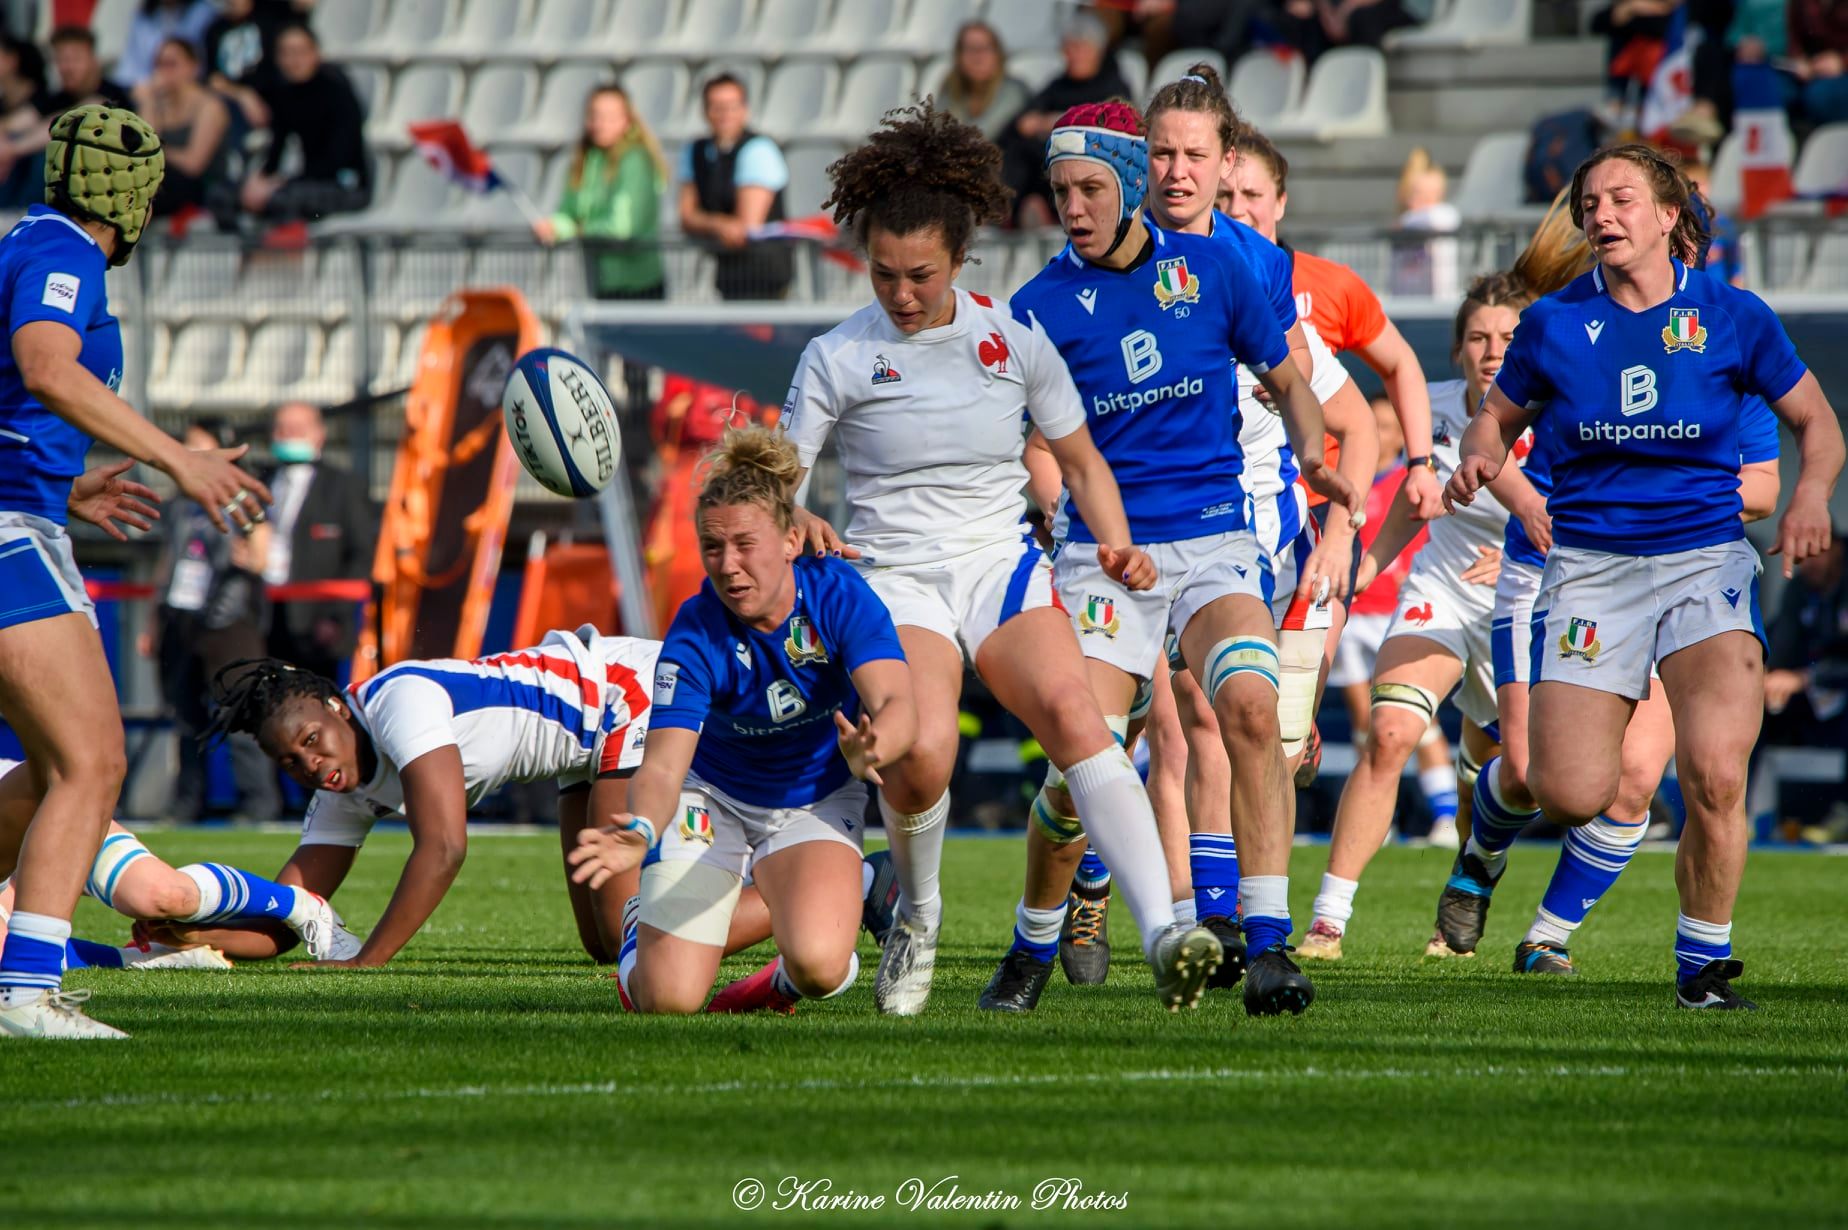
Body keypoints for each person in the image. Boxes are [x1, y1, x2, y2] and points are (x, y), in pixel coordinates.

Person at [779, 103, 1218, 1018]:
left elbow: (1082, 462)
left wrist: (1117, 543)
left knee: (1076, 715)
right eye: (885, 275)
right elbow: (780, 480)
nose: (902, 294)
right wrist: (797, 517)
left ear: (960, 258)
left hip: (997, 564)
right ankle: (918, 914)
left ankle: (1164, 934)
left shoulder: (1013, 339)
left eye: (921, 275)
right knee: (924, 755)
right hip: (895, 576)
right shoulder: (836, 356)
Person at [1445, 143, 1844, 1009]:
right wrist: (1479, 456)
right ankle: (1486, 839)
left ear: (1668, 215)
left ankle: (1701, 968)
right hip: (1591, 571)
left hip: (1705, 565)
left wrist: (1809, 497)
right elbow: (1493, 421)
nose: (1601, 215)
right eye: (1589, 204)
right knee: (1569, 789)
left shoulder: (1733, 315)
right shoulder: (1554, 323)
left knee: (1716, 774)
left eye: (1621, 199)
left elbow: (1819, 424)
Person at [1008, 99, 1361, 1017]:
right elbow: (1033, 447)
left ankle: (1269, 942)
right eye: (1060, 191)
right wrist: (1068, 512)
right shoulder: (1038, 309)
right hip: (1103, 559)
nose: (1073, 208)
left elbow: (1290, 382)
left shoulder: (1218, 268)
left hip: (1213, 540)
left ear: (1127, 185)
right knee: (1079, 771)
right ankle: (1033, 939)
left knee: (1249, 706)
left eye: (1091, 188)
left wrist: (1315, 455)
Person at [0, 104, 269, 1040]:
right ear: (136, 201)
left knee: (51, 771)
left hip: (26, 514)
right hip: (10, 537)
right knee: (94, 763)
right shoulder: (64, 252)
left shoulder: (24, 241)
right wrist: (178, 459)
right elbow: (44, 367)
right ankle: (25, 994)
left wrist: (65, 484)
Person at [566, 429, 916, 1015]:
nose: (728, 566)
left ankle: (777, 982)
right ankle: (639, 935)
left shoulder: (838, 595)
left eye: (745, 544)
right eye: (712, 546)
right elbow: (664, 766)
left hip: (815, 800)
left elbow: (900, 703)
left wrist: (876, 746)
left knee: (821, 967)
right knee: (667, 1000)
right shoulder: (696, 629)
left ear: (791, 540)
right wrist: (644, 828)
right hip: (713, 799)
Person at [1298, 273, 1528, 961]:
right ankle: (1328, 921)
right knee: (1390, 732)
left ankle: (1472, 876)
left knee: (1502, 775)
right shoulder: (1432, 408)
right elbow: (1411, 497)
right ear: (1458, 350)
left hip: (1528, 602)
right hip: (1442, 591)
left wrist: (1522, 554)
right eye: (1478, 337)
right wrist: (1365, 571)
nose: (1492, 351)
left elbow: (1589, 512)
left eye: (1507, 338)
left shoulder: (1561, 412)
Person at [200, 628, 661, 968]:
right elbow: (287, 917)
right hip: (582, 748)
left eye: (311, 739)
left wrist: (367, 960)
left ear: (337, 708)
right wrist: (189, 934)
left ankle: (700, 924)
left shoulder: (399, 702)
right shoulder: (339, 789)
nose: (310, 763)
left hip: (620, 691)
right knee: (604, 947)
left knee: (626, 941)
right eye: (290, 761)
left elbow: (444, 847)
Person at [1327, 396, 1460, 850]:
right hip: (1352, 613)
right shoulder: (1347, 478)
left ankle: (1446, 817)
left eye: (1388, 426)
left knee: (1419, 718)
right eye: (1375, 425)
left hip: (1396, 612)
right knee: (1365, 722)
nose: (1381, 434)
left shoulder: (1411, 480)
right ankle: (1378, 819)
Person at [146, 417, 278, 823]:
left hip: (229, 621)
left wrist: (250, 559)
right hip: (184, 617)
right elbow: (167, 563)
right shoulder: (178, 505)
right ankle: (188, 802)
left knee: (240, 716)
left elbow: (262, 553)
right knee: (186, 719)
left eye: (199, 446)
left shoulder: (242, 498)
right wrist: (154, 622)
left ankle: (258, 803)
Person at [261, 401, 374, 685]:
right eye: (282, 428)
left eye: (298, 428)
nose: (289, 435)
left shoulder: (343, 485)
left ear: (319, 433)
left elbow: (361, 554)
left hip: (316, 624)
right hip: (264, 616)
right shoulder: (261, 481)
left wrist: (335, 616)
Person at [997, 12, 1135, 226]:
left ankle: (1042, 211)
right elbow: (1022, 122)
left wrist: (1051, 122)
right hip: (1044, 162)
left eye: (1081, 48)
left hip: (1088, 159)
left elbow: (1115, 125)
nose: (1074, 55)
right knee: (1019, 150)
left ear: (1098, 50)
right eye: (1069, 48)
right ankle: (1010, 209)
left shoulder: (1113, 85)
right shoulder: (1058, 85)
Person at [533, 83, 667, 301]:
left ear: (627, 120)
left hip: (639, 286)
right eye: (594, 116)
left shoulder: (635, 161)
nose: (600, 124)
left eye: (610, 117)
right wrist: (554, 226)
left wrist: (578, 230)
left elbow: (622, 228)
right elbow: (569, 211)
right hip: (600, 282)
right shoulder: (586, 160)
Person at [235, 23, 370, 224]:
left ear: (315, 53)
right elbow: (277, 149)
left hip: (343, 184)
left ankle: (283, 242)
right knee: (228, 196)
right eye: (286, 53)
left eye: (300, 52)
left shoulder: (337, 91)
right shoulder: (285, 94)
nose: (293, 60)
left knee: (281, 199)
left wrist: (281, 184)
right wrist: (261, 178)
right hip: (306, 181)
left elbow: (338, 158)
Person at [1760, 530, 1848, 834]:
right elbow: (1782, 642)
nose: (1806, 563)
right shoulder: (1800, 589)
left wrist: (1805, 678)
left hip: (1837, 692)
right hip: (1812, 702)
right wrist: (1766, 674)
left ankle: (1841, 812)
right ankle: (1738, 810)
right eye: (1801, 556)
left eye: (1814, 553)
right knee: (1749, 708)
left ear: (1836, 548)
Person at [677, 73, 792, 301]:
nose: (725, 114)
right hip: (729, 277)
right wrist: (718, 224)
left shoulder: (758, 150)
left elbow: (744, 229)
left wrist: (705, 222)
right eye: (717, 107)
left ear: (744, 109)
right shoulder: (697, 150)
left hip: (765, 280)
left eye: (732, 106)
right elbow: (686, 216)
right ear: (705, 111)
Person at [131, 38, 232, 220]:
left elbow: (194, 164)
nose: (164, 71)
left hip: (202, 187)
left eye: (172, 64)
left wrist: (159, 151)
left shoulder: (209, 106)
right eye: (159, 64)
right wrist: (148, 102)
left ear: (193, 67)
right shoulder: (159, 105)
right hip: (166, 185)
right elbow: (143, 152)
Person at [936, 19, 1031, 143]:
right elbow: (936, 130)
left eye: (985, 48)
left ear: (998, 54)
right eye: (970, 49)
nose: (978, 57)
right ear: (958, 56)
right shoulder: (950, 88)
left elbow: (980, 137)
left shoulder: (1014, 91)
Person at [1392, 147, 1460, 298]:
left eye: (1433, 195)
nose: (1427, 202)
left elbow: (1441, 217)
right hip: (1406, 299)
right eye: (1419, 195)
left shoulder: (1442, 215)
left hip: (1438, 300)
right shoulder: (1403, 227)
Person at [116, 0, 218, 89]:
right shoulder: (144, 15)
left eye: (170, 64)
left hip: (194, 85)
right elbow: (129, 70)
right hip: (148, 87)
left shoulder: (204, 13)